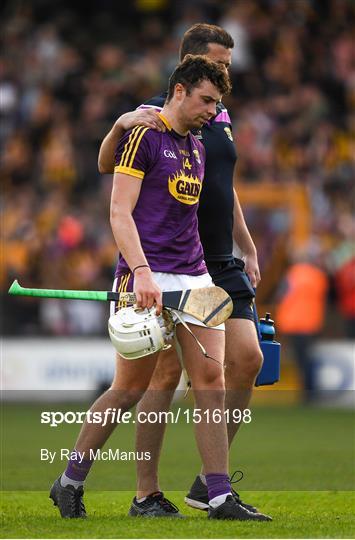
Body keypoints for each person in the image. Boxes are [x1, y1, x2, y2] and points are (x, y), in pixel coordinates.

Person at [49, 54, 270, 522]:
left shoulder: (197, 145)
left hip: (195, 277)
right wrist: (143, 273)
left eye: (218, 103)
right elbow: (119, 212)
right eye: (206, 101)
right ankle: (69, 480)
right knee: (130, 389)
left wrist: (233, 254)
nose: (213, 112)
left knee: (213, 381)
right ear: (179, 91)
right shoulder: (144, 137)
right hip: (145, 275)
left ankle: (218, 496)